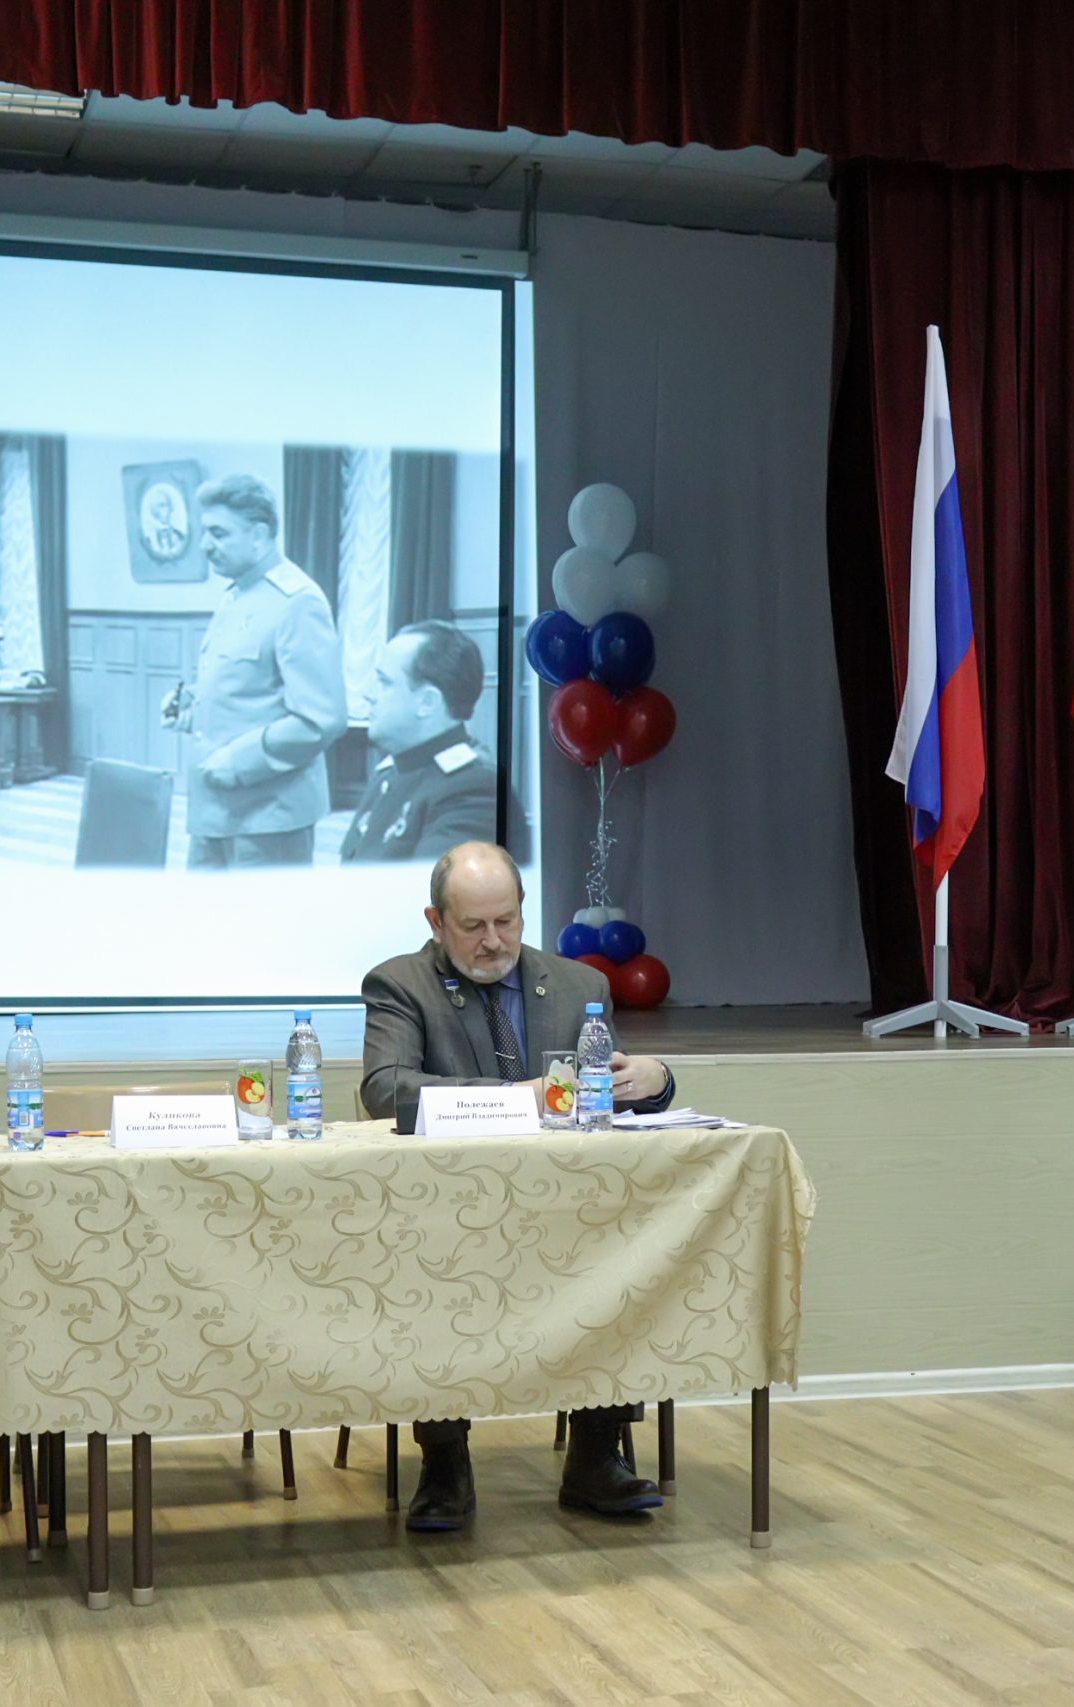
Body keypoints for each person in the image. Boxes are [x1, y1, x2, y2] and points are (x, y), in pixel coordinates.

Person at [359, 841, 678, 1532]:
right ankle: (445, 1464)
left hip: (565, 1209)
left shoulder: (578, 985)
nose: (493, 941)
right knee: (431, 1271)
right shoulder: (399, 984)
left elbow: (604, 1092)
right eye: (472, 926)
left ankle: (597, 1455)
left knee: (620, 1254)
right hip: (448, 1214)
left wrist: (654, 1081)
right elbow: (386, 1091)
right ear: (436, 921)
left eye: (506, 921)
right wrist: (521, 1096)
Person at [160, 474, 346, 867]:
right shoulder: (236, 595)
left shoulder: (297, 602)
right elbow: (248, 691)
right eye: (204, 532)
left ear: (259, 534)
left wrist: (239, 762)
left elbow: (320, 719)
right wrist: (191, 705)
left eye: (218, 533)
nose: (204, 545)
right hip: (214, 810)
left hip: (268, 818)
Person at [339, 621, 500, 863]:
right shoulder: (390, 773)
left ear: (427, 703)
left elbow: (432, 886)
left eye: (384, 682)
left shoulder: (473, 793)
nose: (369, 695)